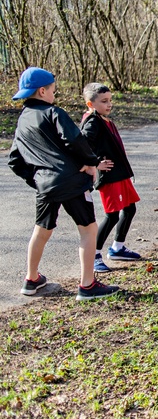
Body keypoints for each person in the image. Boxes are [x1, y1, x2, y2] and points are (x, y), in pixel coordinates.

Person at [7, 67, 119, 300]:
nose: (54, 95)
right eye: (53, 91)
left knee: (42, 229)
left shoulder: (22, 121)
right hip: (71, 181)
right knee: (88, 229)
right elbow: (74, 138)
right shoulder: (53, 112)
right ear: (42, 90)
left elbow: (14, 161)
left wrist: (37, 180)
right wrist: (91, 163)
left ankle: (31, 279)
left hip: (45, 185)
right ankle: (87, 286)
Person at [80, 83, 141, 273]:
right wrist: (96, 163)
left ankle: (117, 247)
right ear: (91, 103)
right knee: (112, 215)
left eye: (110, 100)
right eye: (104, 101)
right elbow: (82, 144)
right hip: (109, 176)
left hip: (120, 173)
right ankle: (95, 254)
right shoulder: (92, 122)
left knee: (130, 209)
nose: (109, 105)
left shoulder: (104, 119)